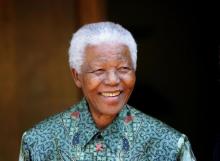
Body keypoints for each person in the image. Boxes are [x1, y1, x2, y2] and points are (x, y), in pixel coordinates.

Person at [19, 22, 196, 161]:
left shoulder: (170, 145)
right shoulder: (39, 143)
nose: (113, 80)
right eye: (99, 70)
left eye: (124, 68)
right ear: (77, 76)